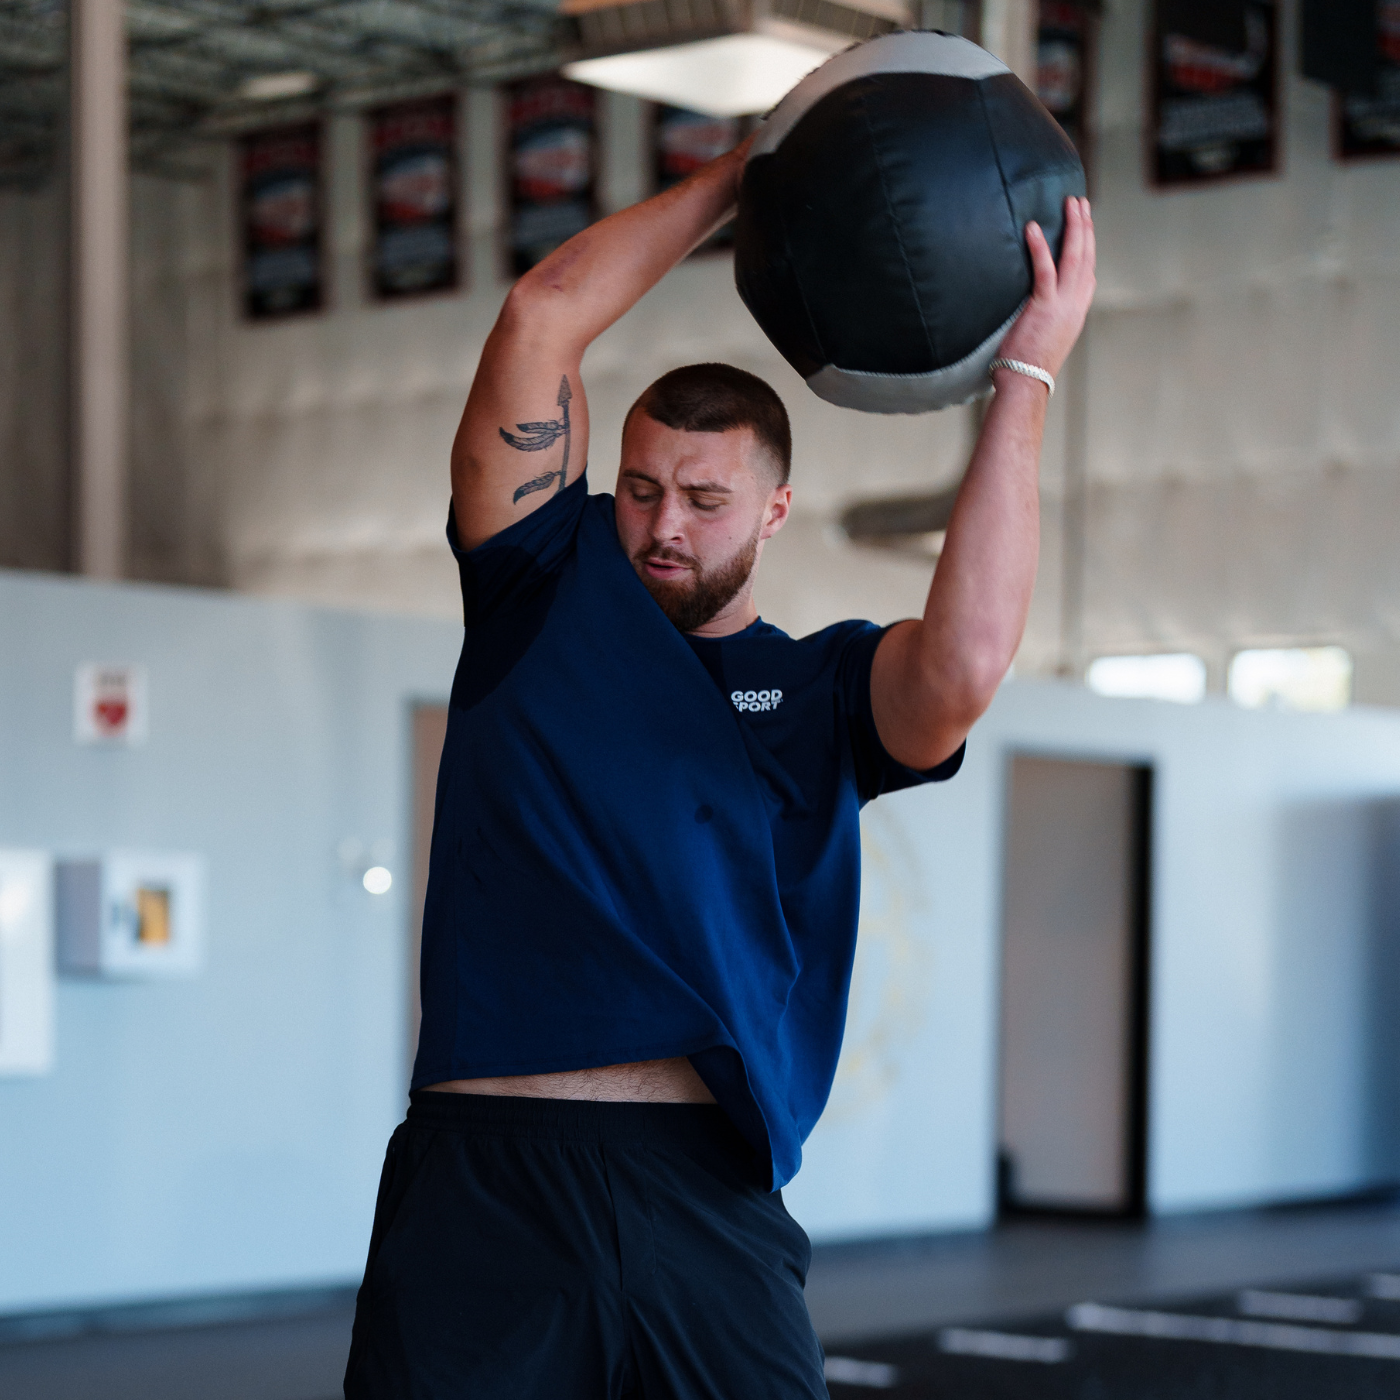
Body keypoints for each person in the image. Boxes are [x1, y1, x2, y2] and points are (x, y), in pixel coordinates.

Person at [344, 130, 1096, 1400]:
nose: (660, 525)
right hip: (487, 1179)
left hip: (701, 1191)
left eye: (701, 497)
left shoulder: (822, 693)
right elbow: (542, 315)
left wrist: (1021, 375)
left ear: (772, 511)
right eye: (637, 489)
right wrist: (750, 175)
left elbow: (964, 660)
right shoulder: (537, 587)